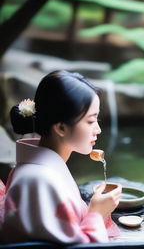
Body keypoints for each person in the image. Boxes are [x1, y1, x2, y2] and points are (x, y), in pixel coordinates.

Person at [0, 70, 122, 243]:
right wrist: (96, 212)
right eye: (90, 121)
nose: (98, 130)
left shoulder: (38, 171)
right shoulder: (38, 180)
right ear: (61, 128)